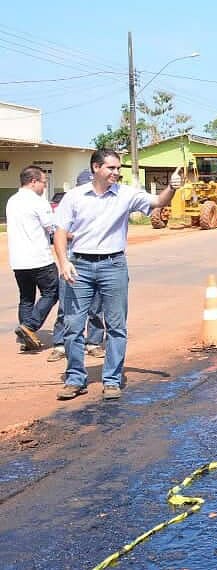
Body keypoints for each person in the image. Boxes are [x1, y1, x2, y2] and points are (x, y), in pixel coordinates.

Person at [53, 149, 181, 401]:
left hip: (113, 265)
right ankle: (75, 379)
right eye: (111, 168)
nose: (116, 172)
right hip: (79, 266)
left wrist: (172, 188)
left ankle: (111, 380)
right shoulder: (74, 196)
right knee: (73, 325)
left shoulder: (126, 194)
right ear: (96, 168)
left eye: (118, 168)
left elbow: (158, 202)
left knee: (116, 326)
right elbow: (60, 231)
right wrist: (63, 262)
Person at [47, 169, 107, 362]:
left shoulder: (102, 206)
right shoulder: (69, 203)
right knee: (66, 307)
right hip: (72, 262)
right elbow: (57, 232)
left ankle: (93, 343)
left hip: (98, 261)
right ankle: (60, 345)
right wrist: (76, 235)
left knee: (96, 307)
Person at [6, 166, 58, 352]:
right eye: (44, 182)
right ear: (33, 181)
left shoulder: (12, 200)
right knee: (52, 292)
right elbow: (52, 228)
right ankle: (30, 326)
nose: (45, 186)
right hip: (39, 259)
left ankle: (26, 337)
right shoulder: (38, 202)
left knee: (26, 298)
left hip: (18, 260)